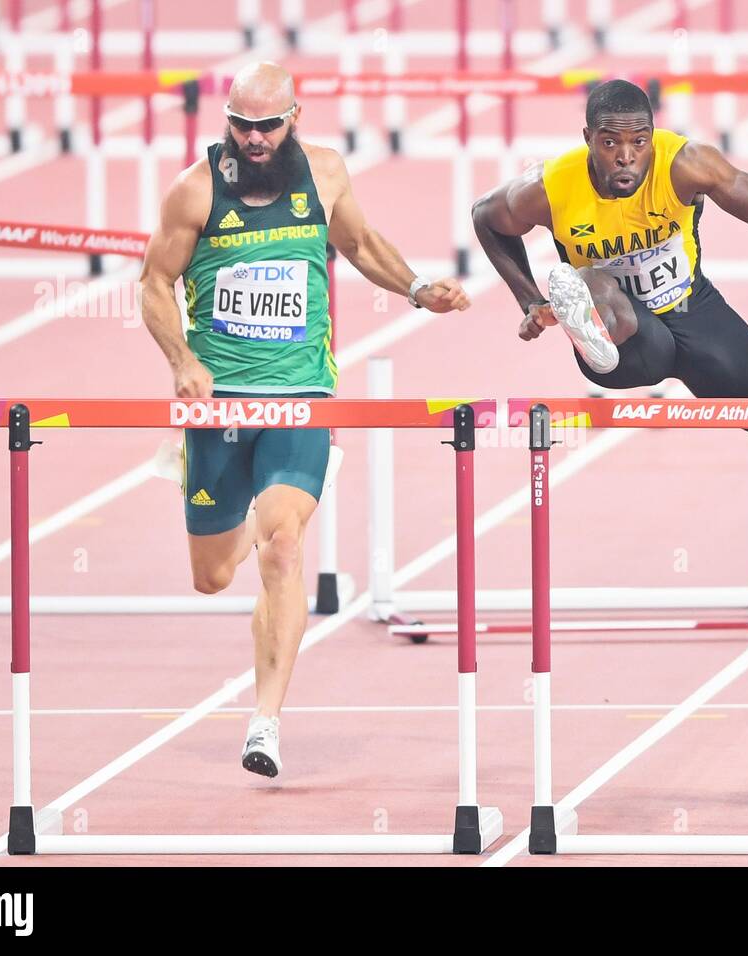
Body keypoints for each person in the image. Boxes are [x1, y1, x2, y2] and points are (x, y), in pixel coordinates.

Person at [139, 61, 470, 777]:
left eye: (268, 124)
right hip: (221, 405)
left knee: (283, 548)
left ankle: (264, 723)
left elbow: (358, 243)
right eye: (241, 125)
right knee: (213, 575)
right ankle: (233, 503)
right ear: (226, 120)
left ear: (296, 116)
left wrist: (417, 288)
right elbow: (154, 282)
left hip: (302, 397)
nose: (254, 139)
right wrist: (181, 362)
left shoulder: (324, 174)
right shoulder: (194, 192)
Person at [471, 79, 748, 477]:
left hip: (698, 315)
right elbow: (486, 217)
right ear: (588, 139)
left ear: (653, 137)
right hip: (629, 340)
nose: (625, 157)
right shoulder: (550, 186)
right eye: (610, 143)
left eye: (639, 142)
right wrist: (530, 300)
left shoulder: (683, 163)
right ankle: (586, 329)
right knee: (589, 279)